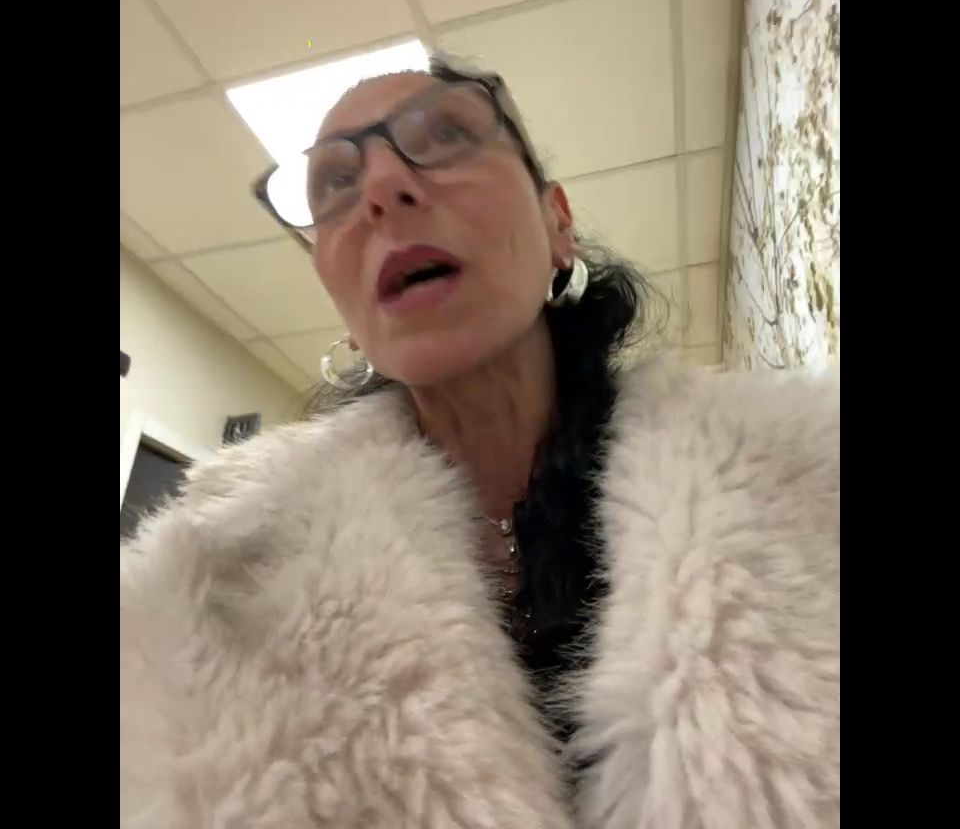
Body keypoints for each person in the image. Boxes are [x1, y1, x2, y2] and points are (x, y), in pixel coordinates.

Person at [120, 55, 840, 829]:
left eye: (448, 135)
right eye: (334, 184)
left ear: (558, 225)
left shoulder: (812, 481)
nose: (382, 189)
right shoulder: (201, 598)